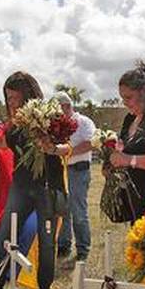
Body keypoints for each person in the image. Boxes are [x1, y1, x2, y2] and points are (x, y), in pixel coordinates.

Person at [0, 71, 70, 289]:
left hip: (48, 188)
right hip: (21, 187)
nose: (12, 104)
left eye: (16, 98)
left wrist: (51, 149)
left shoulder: (50, 117)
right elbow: (2, 143)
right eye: (9, 99)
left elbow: (67, 148)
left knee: (47, 242)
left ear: (29, 96)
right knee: (5, 236)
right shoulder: (13, 125)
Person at [104, 62, 145, 289]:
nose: (125, 103)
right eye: (122, 98)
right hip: (133, 196)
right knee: (142, 249)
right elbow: (122, 149)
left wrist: (128, 160)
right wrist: (111, 161)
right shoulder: (129, 119)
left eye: (128, 97)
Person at [55, 91, 95, 264]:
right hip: (61, 170)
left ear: (67, 106)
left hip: (79, 170)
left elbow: (89, 143)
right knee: (63, 209)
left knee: (78, 211)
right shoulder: (56, 125)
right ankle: (64, 245)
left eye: (58, 109)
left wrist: (68, 152)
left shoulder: (84, 122)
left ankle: (83, 248)